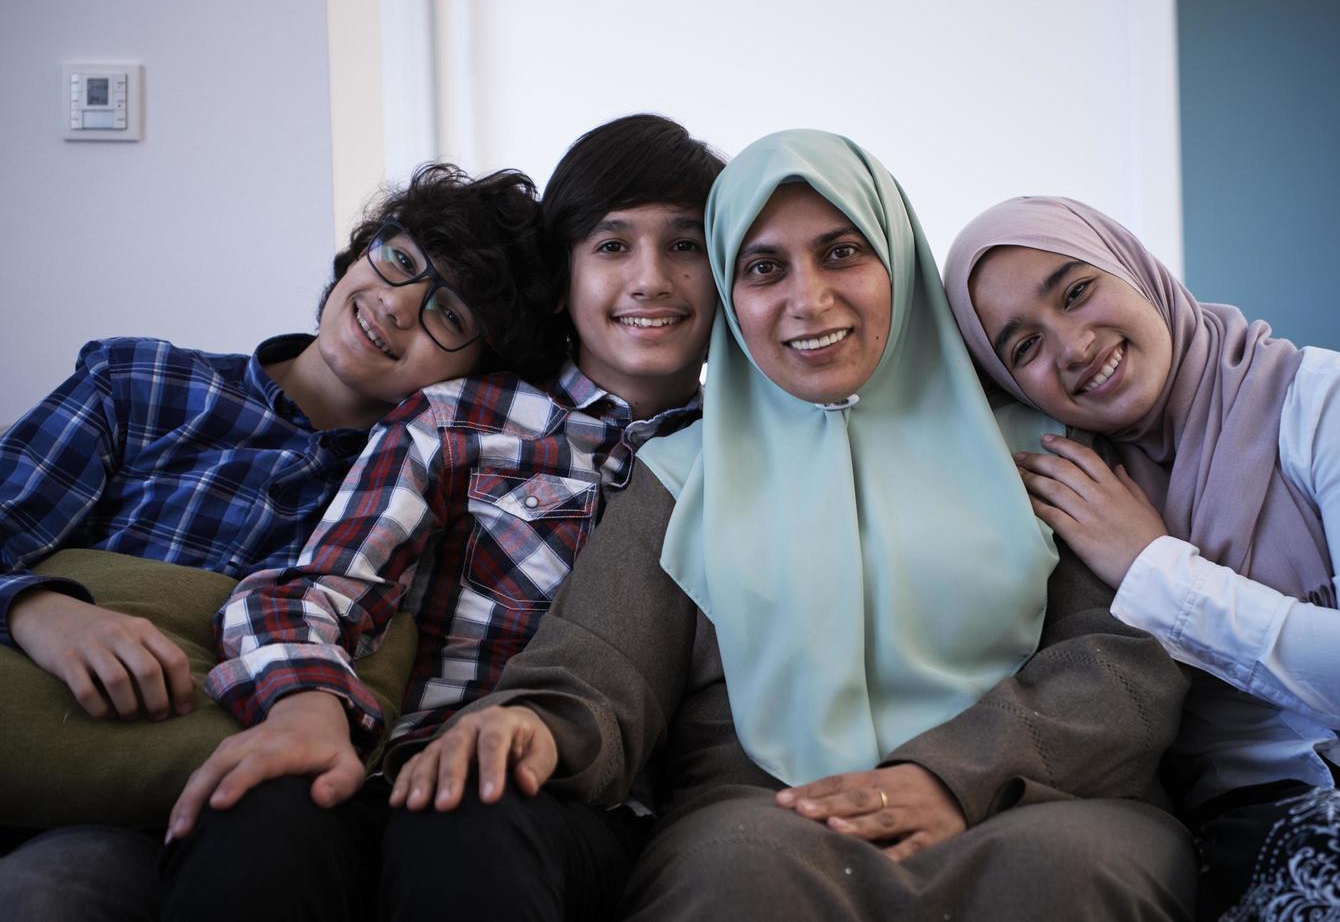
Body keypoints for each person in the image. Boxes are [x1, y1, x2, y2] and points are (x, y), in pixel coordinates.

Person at [390, 131, 1197, 921]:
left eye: (843, 252)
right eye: (763, 268)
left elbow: (1121, 660)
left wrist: (954, 775)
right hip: (774, 814)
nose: (808, 299)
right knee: (734, 877)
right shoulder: (680, 474)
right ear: (729, 301)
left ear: (900, 260)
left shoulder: (1038, 445)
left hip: (1036, 799)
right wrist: (533, 721)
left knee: (1073, 872)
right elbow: (602, 663)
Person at [158, 114, 725, 922]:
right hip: (396, 760)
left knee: (469, 818)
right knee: (259, 806)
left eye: (685, 247)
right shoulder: (459, 421)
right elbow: (311, 590)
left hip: (581, 805)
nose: (650, 280)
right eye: (611, 246)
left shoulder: (740, 457)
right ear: (562, 276)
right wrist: (309, 704)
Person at [0, 163, 552, 919]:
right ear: (361, 252)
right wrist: (43, 611)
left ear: (478, 374)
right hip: (28, 712)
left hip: (168, 816)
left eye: (447, 315)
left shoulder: (432, 492)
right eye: (397, 259)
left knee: (48, 897)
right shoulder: (143, 383)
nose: (394, 304)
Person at [942, 195, 1340, 920]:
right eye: (1023, 348)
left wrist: (1155, 566)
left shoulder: (1333, 402)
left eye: (1077, 290)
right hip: (1263, 827)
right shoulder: (1072, 489)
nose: (1072, 346)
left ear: (1133, 268)